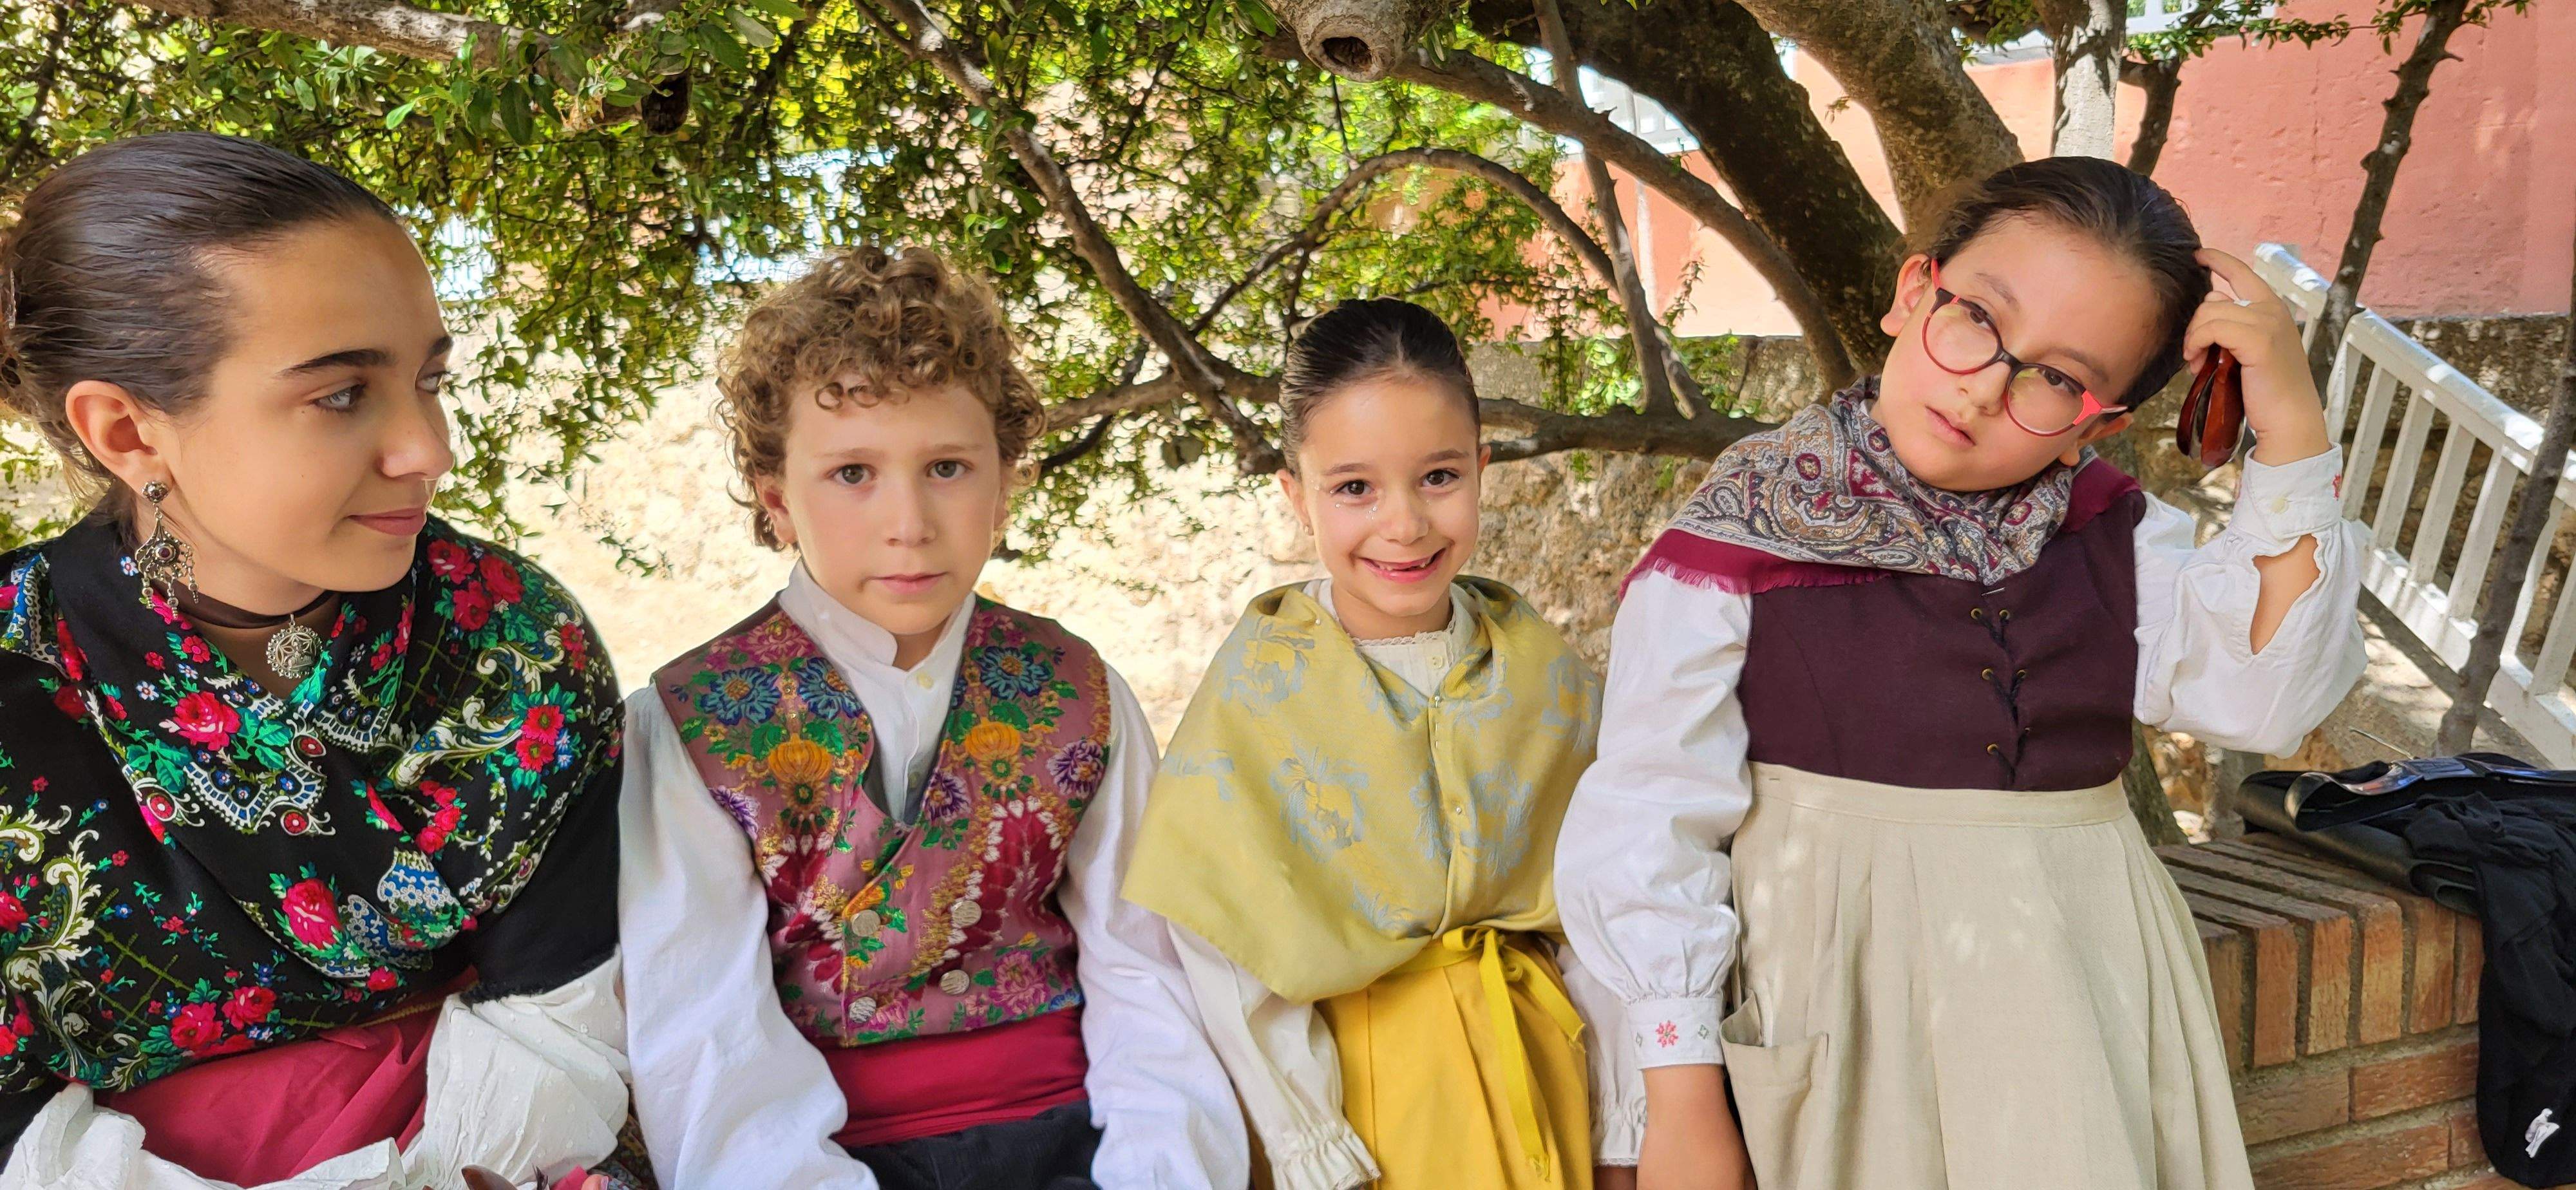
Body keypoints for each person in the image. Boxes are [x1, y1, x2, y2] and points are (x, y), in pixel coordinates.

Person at [1556, 156, 2368, 1190]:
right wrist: (1678, 1102)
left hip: (2089, 1012)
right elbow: (1648, 820)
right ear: (1913, 293)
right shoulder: (1734, 540)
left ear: (2099, 422)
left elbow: (2265, 700)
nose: (1987, 387)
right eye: (1978, 318)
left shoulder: (2114, 537)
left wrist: (2291, 429)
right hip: (1846, 1027)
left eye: (2059, 378)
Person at [0, 133, 629, 1190]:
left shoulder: (515, 638)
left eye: (428, 379)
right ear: (126, 431)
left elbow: (561, 1019)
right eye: (342, 394)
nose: (428, 448)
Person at [618, 243, 1247, 1189]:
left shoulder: (1079, 691)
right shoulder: (687, 726)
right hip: (824, 1158)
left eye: (948, 466)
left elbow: (1148, 979)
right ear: (777, 499)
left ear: (1005, 481)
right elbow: (706, 1043)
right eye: (853, 475)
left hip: (1086, 1142)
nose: (908, 520)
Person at [1125, 298, 1642, 1190]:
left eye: (1438, 477)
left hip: (1542, 1076)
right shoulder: (1258, 698)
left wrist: (1622, 1127)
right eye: (1354, 488)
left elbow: (1603, 918)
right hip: (1370, 1111)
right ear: (1297, 496)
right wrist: (1310, 1147)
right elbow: (1231, 959)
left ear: (1482, 469)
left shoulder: (1542, 674)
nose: (1403, 524)